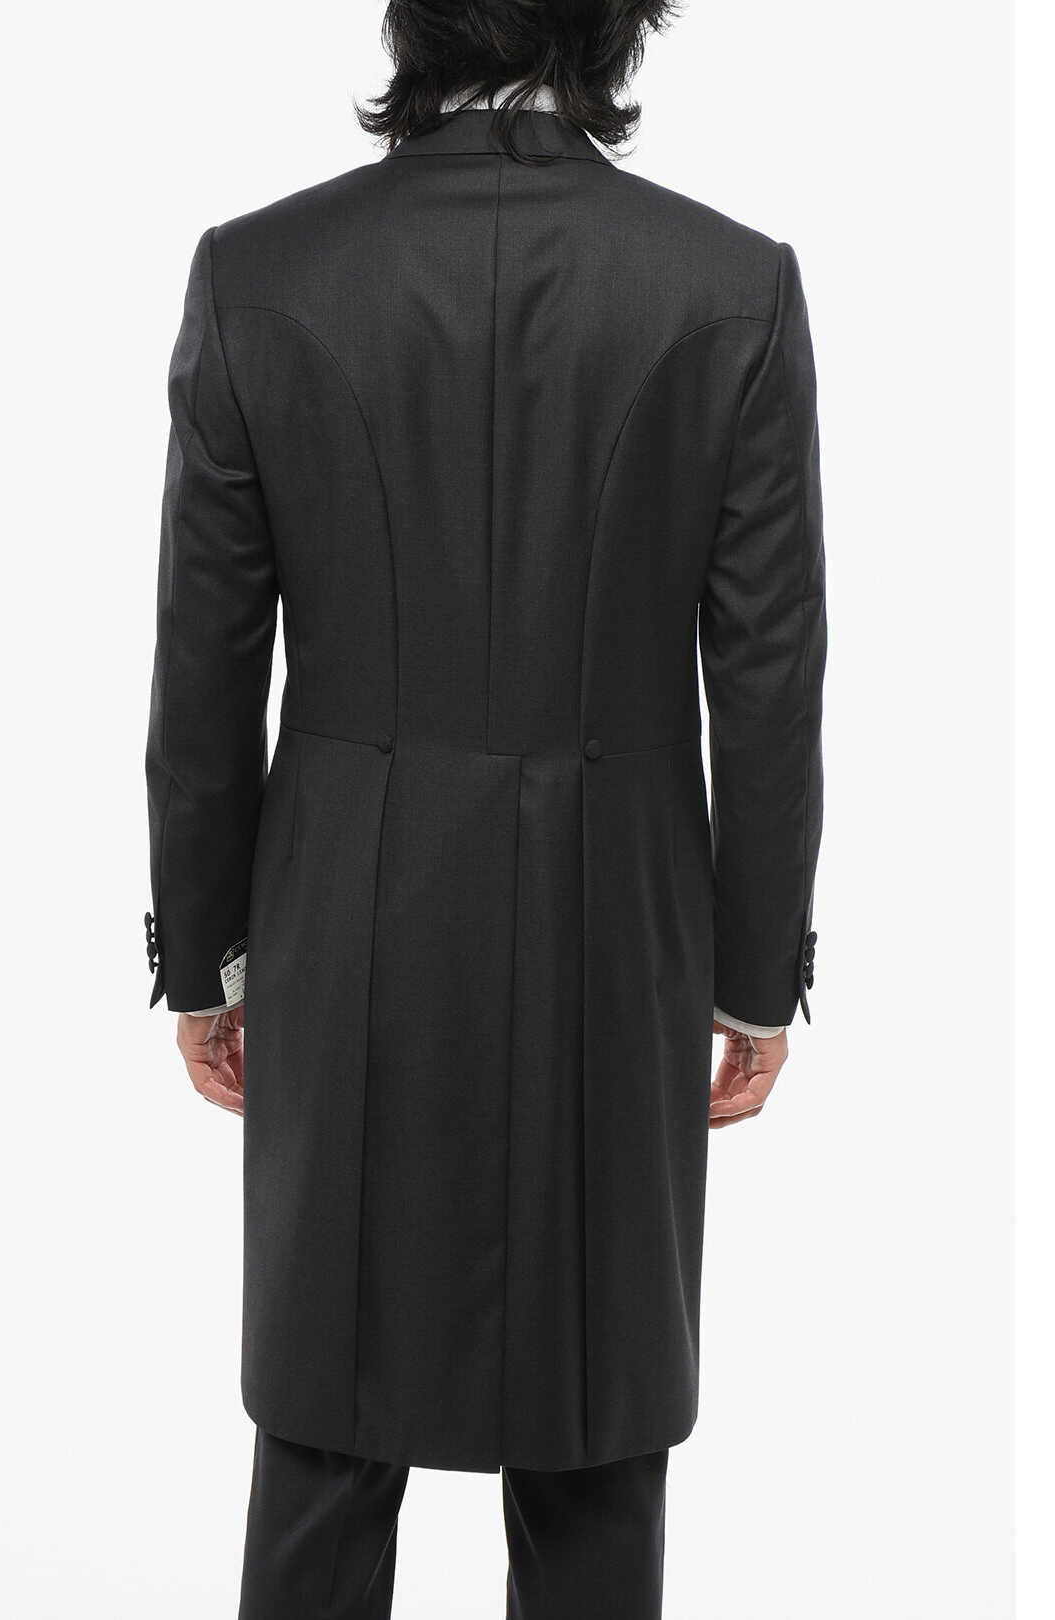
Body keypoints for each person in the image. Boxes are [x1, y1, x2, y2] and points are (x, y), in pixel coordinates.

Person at [144, 2, 826, 1614]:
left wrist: (206, 959)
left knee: (324, 1428)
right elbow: (768, 674)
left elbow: (203, 665)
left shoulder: (261, 270)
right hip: (616, 927)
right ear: (616, 28)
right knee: (595, 1435)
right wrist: (751, 978)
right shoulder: (726, 283)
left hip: (344, 922)